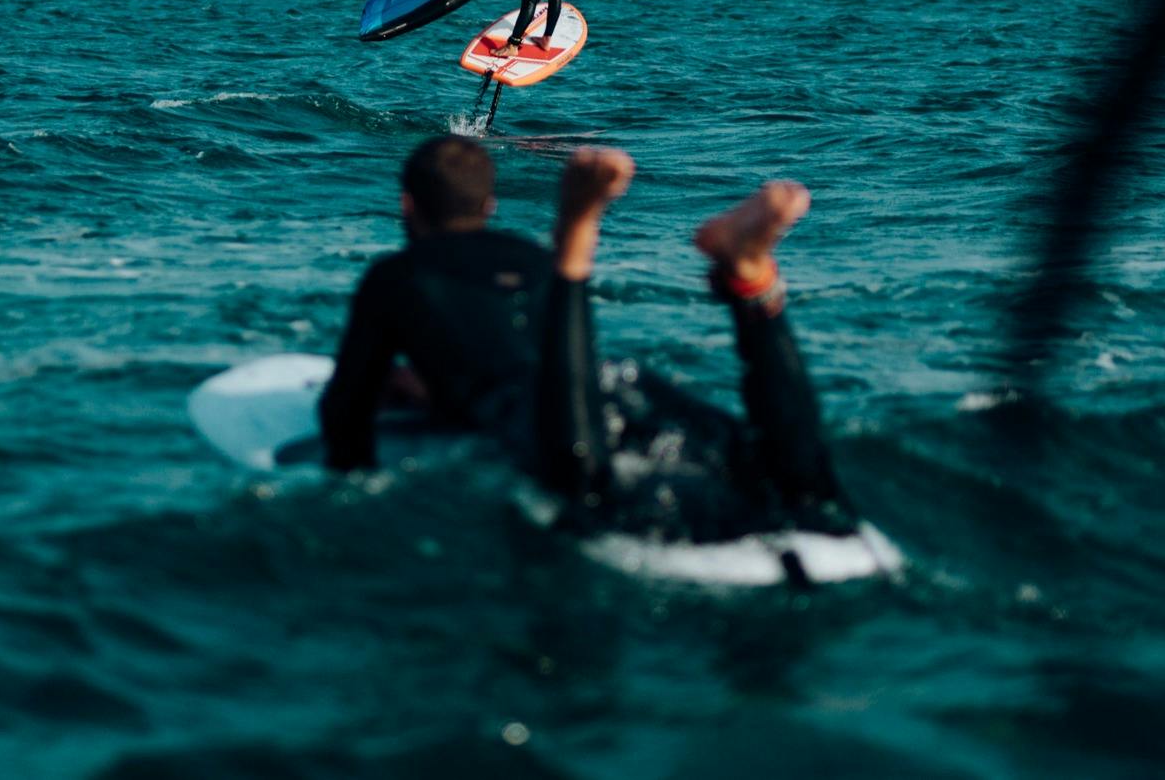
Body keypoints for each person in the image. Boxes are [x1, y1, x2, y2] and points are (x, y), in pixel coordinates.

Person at [318, 135, 856, 547]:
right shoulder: (525, 257)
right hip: (618, 382)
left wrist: (351, 488)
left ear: (407, 206)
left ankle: (577, 232)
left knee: (583, 484)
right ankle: (750, 280)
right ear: (489, 207)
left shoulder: (395, 275)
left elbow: (346, 410)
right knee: (798, 484)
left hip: (552, 410)